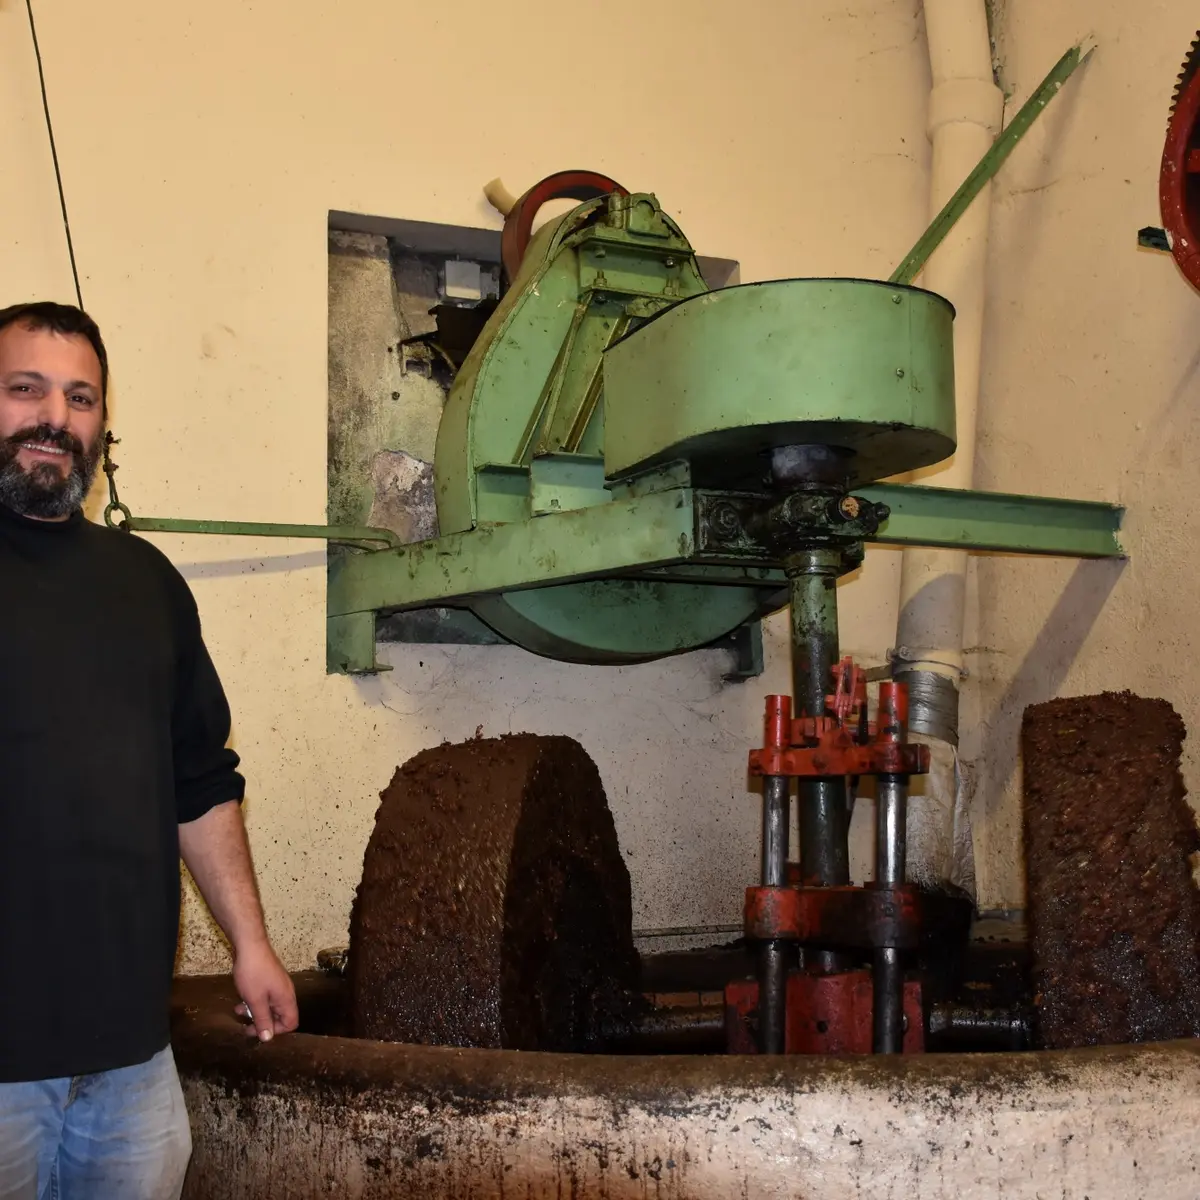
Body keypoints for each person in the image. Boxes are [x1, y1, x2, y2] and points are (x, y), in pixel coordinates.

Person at [0, 302, 299, 1199]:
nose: (55, 416)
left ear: (101, 426)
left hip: (131, 1065)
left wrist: (251, 943)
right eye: (25, 389)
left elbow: (201, 782)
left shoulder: (148, 585)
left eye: (80, 397)